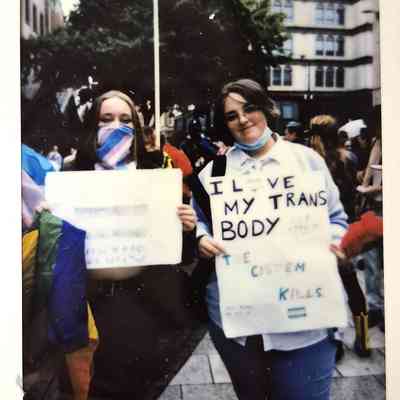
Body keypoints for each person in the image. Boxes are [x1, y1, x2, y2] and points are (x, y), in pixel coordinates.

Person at [191, 79, 348, 400]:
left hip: (306, 322)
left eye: (249, 108)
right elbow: (201, 225)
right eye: (232, 115)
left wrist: (332, 242)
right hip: (240, 326)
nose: (243, 119)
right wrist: (201, 238)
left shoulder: (306, 161)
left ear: (265, 108)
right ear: (226, 124)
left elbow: (336, 219)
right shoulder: (214, 173)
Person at [70, 90, 201, 399]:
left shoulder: (154, 174)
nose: (116, 125)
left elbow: (180, 254)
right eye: (107, 119)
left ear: (137, 126)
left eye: (125, 119)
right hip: (90, 302)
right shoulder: (73, 173)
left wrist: (185, 226)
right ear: (93, 124)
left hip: (141, 300)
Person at [308, 115, 370, 357]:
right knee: (352, 285)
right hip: (347, 231)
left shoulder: (312, 162)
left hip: (319, 232)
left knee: (325, 286)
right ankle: (363, 339)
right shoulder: (349, 159)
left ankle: (334, 341)